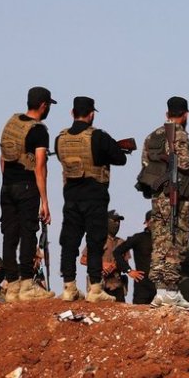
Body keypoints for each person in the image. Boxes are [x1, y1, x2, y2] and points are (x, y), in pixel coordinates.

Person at [55, 96, 128, 302]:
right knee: (95, 242)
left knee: (69, 242)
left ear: (72, 113)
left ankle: (69, 287)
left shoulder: (60, 138)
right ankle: (95, 289)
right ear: (92, 114)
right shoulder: (99, 137)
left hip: (70, 197)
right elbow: (120, 159)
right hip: (95, 197)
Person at [0, 86, 55, 302]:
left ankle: (11, 286)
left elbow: (2, 157)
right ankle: (26, 285)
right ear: (44, 105)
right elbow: (40, 166)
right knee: (28, 234)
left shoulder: (12, 123)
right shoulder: (39, 130)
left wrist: (8, 181)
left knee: (9, 235)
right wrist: (45, 201)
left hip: (7, 187)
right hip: (27, 187)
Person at [137, 96, 189, 301]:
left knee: (160, 240)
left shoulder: (152, 136)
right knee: (176, 239)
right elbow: (185, 163)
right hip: (175, 195)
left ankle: (160, 288)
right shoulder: (179, 134)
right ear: (185, 114)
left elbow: (145, 164)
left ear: (166, 114)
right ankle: (171, 288)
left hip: (158, 195)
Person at [82, 209, 128, 302]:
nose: (117, 224)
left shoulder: (122, 242)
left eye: (119, 221)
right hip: (99, 284)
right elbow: (83, 259)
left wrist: (115, 265)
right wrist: (102, 264)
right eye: (114, 221)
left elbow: (126, 263)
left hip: (116, 286)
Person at [113, 210, 156, 305]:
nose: (155, 224)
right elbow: (117, 252)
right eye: (153, 221)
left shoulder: (167, 240)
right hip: (143, 286)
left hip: (162, 287)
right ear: (147, 222)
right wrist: (128, 270)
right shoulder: (139, 238)